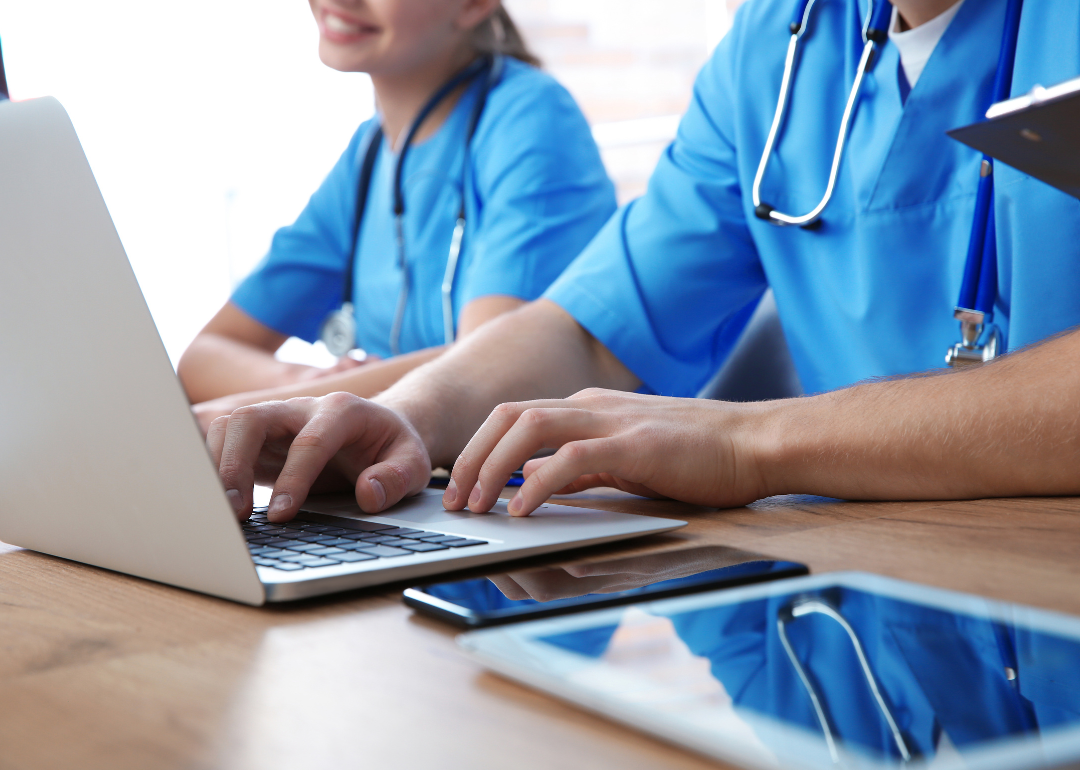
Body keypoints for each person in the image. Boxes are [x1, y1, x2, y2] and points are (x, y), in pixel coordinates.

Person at [205, 0, 1080, 524]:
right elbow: (592, 330)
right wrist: (400, 416)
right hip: (861, 590)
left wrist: (750, 442)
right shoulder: (777, 46)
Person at [178, 0, 615, 432]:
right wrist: (314, 384)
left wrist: (252, 415)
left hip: (545, 491)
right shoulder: (367, 157)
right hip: (422, 482)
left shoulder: (531, 118)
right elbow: (205, 357)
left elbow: (493, 369)